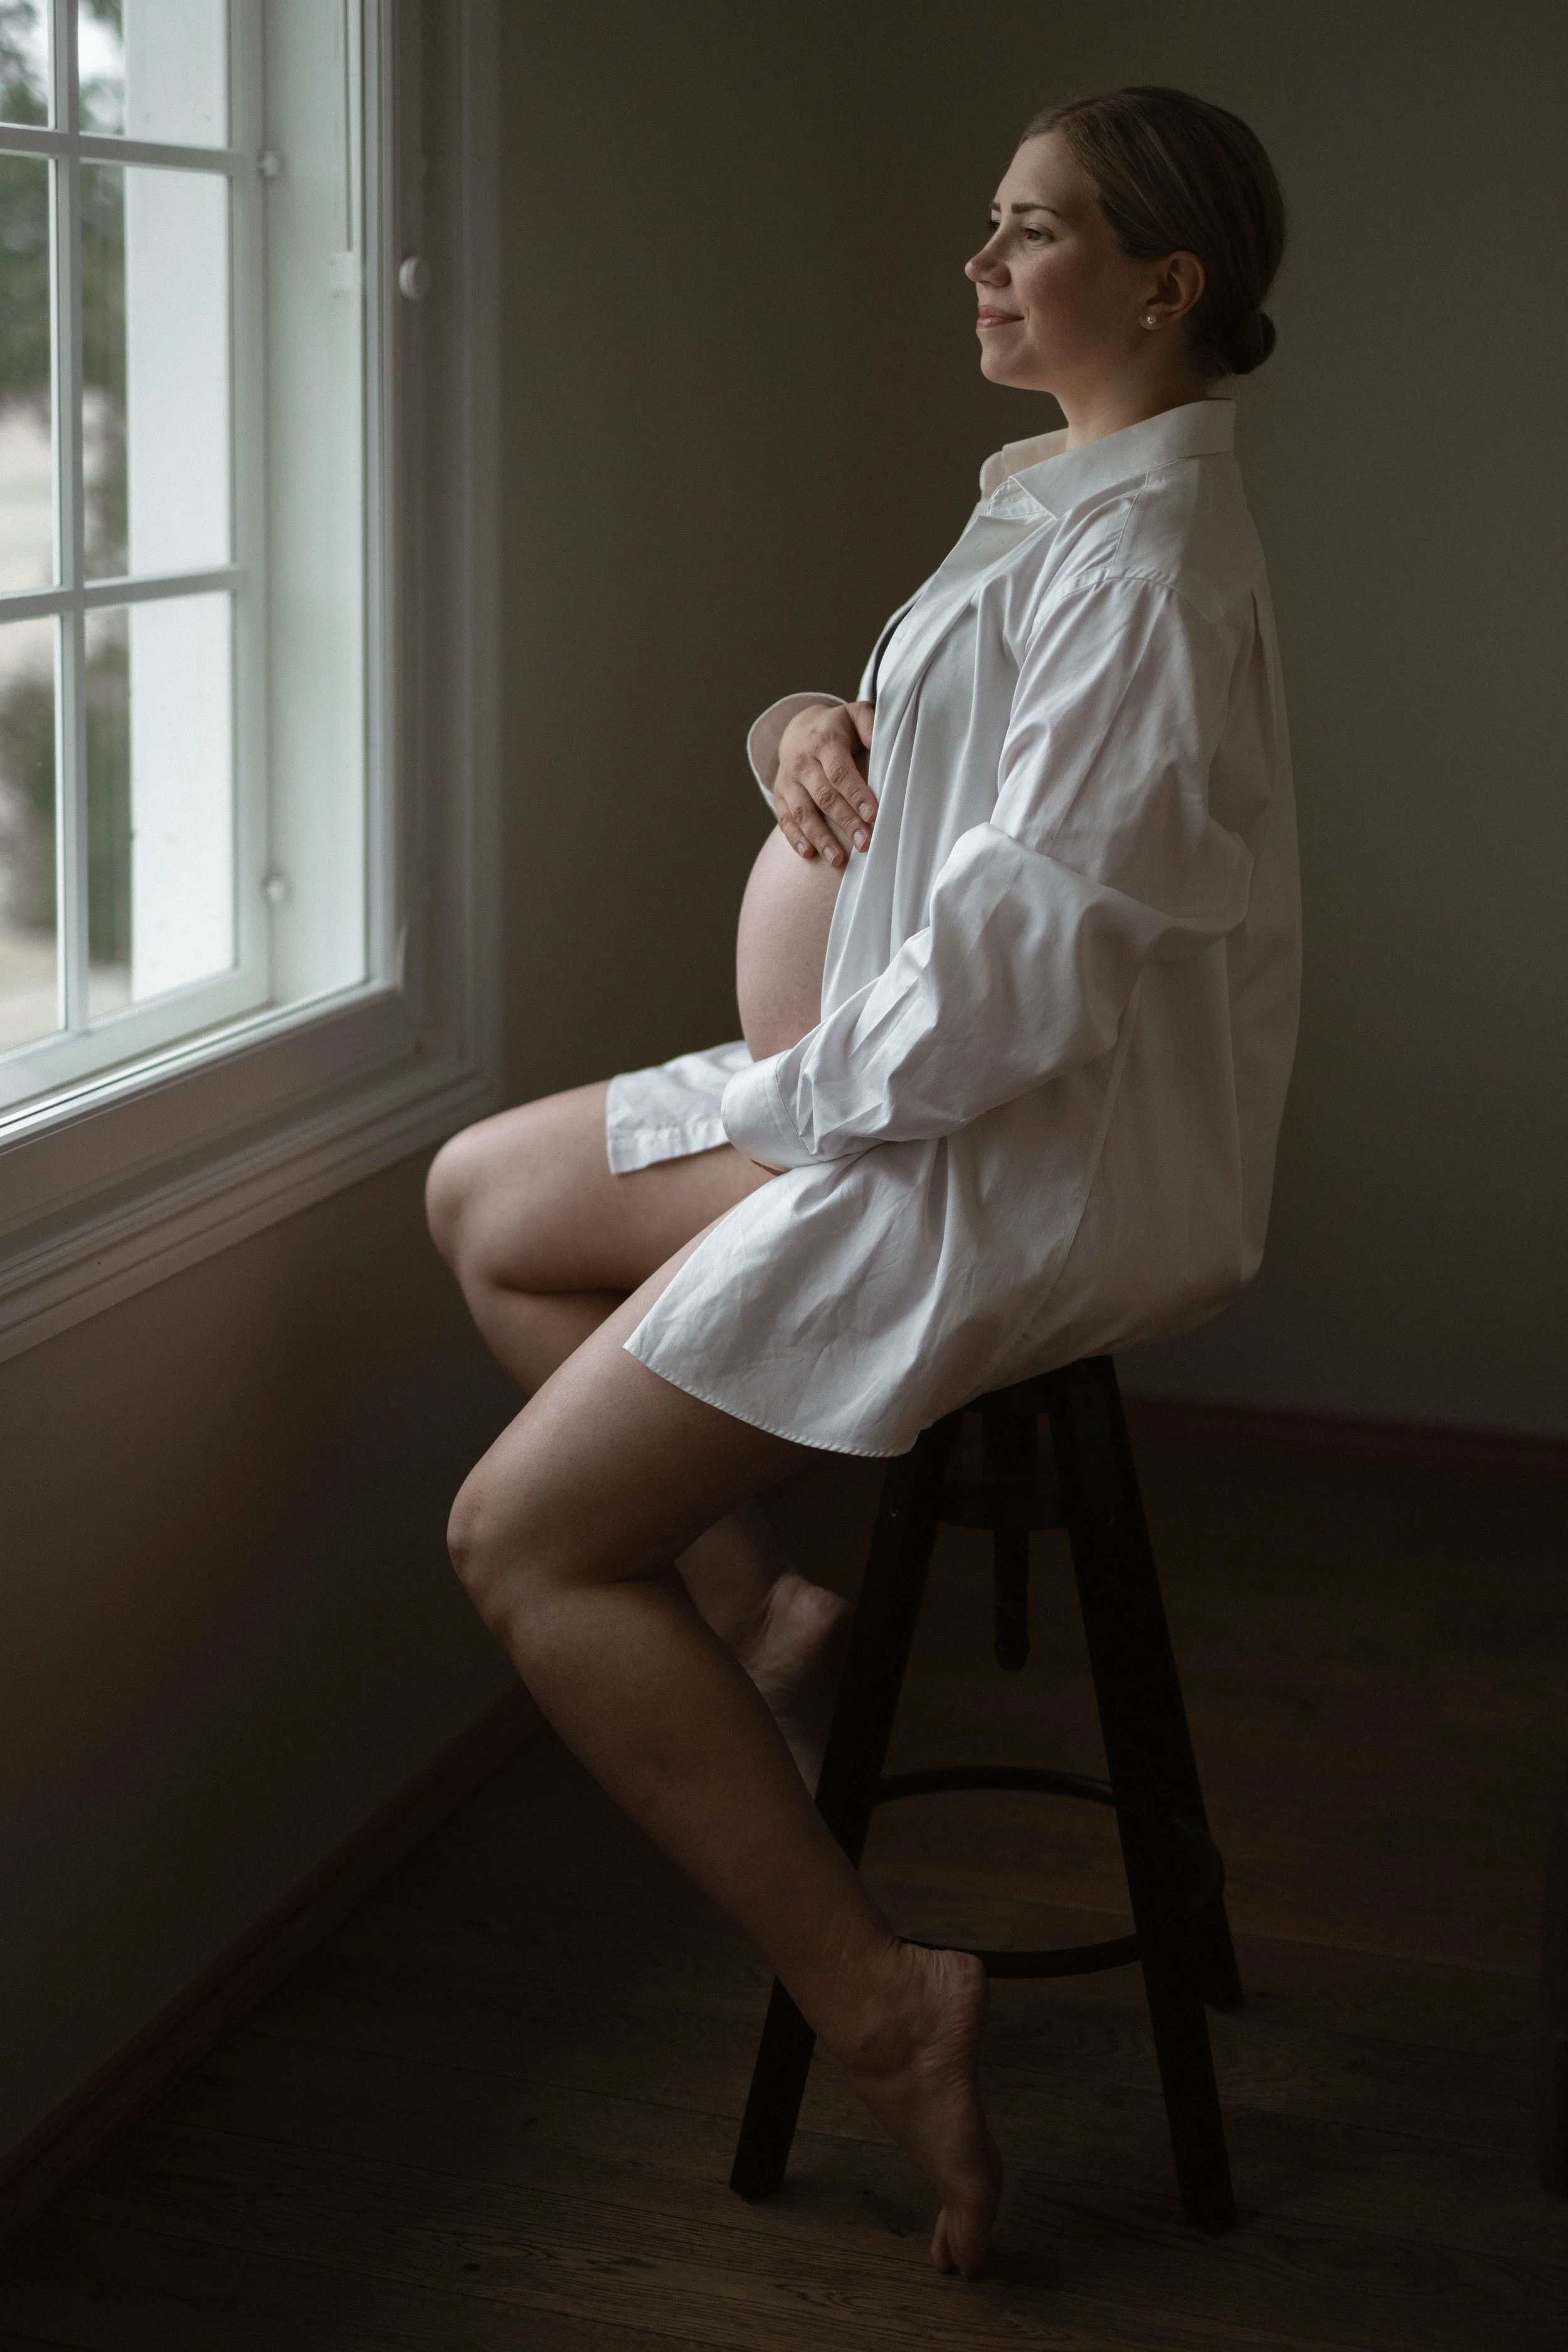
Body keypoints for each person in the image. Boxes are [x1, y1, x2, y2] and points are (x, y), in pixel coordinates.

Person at [426, 85, 1298, 2279]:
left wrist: (797, 1110)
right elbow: (948, 797)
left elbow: (1028, 966)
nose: (980, 265)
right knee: (482, 1200)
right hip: (882, 1098)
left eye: (1029, 231)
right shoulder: (1059, 499)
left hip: (985, 1152)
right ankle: (758, 1616)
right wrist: (803, 724)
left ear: (1163, 283)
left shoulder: (1146, 563)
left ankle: (886, 2007)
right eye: (989, 224)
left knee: (519, 1541)